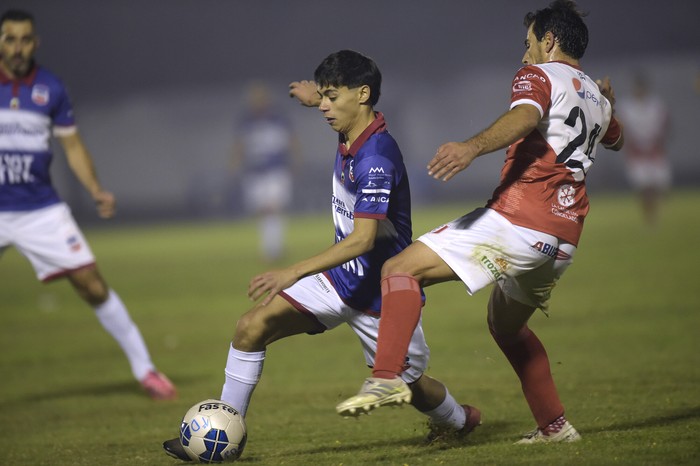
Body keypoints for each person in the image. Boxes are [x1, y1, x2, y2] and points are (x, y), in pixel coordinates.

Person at [163, 49, 481, 461]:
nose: (325, 108)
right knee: (250, 327)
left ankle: (458, 419)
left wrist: (292, 271)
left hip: (380, 298)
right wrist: (318, 97)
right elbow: (338, 109)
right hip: (338, 280)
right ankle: (223, 441)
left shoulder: (377, 158)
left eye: (333, 98)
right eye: (324, 98)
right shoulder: (352, 127)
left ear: (363, 94)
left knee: (411, 385)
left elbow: (363, 239)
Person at [337, 0, 624, 444]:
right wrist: (608, 104)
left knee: (397, 270)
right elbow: (617, 139)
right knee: (506, 327)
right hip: (563, 239)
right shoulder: (595, 97)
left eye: (528, 43)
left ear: (549, 41)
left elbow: (526, 115)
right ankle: (555, 427)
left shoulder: (539, 75)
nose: (523, 53)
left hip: (518, 222)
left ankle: (388, 375)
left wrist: (471, 147)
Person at [0, 9, 176, 400]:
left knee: (92, 285)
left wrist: (95, 188)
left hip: (38, 209)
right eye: (9, 38)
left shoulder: (50, 88)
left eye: (25, 39)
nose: (17, 47)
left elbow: (73, 146)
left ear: (35, 42)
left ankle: (145, 370)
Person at [231, 82, 300, 262]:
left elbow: (291, 140)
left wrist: (294, 161)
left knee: (274, 208)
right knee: (262, 210)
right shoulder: (246, 121)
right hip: (255, 172)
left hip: (276, 170)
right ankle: (270, 247)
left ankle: (273, 248)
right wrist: (235, 164)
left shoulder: (278, 119)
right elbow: (240, 145)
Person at [615, 72, 671, 226]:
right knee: (643, 188)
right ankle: (650, 219)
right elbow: (623, 128)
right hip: (637, 153)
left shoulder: (656, 104)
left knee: (660, 186)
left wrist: (658, 144)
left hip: (655, 152)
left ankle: (658, 214)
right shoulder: (626, 106)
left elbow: (665, 124)